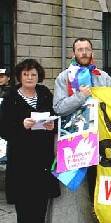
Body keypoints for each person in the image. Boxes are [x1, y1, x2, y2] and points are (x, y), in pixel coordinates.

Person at [52, 37, 111, 221]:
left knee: (101, 182)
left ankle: (100, 216)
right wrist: (80, 96)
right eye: (80, 49)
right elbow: (59, 107)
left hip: (101, 137)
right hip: (77, 141)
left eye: (87, 49)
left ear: (92, 52)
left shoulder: (103, 77)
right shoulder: (64, 77)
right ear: (74, 53)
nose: (84, 52)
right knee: (80, 190)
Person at [0, 59, 60, 222]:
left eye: (33, 74)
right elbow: (3, 128)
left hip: (42, 161)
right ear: (20, 76)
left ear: (38, 76)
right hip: (21, 162)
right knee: (24, 210)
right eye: (25, 74)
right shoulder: (10, 96)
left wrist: (51, 126)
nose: (29, 77)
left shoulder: (45, 93)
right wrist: (21, 125)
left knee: (40, 208)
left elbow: (55, 118)